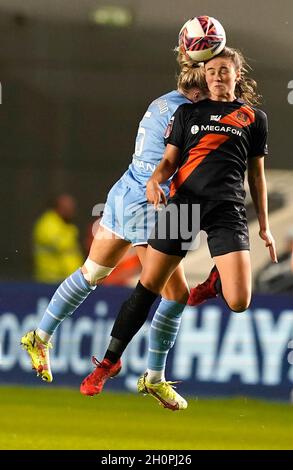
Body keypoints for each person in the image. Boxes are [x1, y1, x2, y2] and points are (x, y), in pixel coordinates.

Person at [79, 46, 278, 409]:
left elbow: (257, 176)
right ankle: (108, 363)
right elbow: (169, 161)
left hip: (226, 211)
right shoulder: (187, 113)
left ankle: (216, 281)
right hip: (184, 205)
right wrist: (156, 180)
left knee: (239, 301)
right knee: (148, 286)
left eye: (224, 70)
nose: (217, 76)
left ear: (237, 74)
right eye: (212, 70)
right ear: (204, 76)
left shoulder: (253, 118)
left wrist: (264, 226)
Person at [21, 37, 207, 411]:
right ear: (200, 90)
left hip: (124, 191)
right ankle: (153, 377)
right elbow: (175, 168)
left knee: (92, 272)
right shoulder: (187, 115)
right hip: (148, 205)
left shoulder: (161, 102)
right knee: (174, 294)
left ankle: (39, 335)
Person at [32, 194, 83, 283]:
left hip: (68, 279)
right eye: (67, 208)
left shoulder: (66, 225)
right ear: (58, 208)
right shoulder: (48, 224)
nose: (71, 211)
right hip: (51, 279)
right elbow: (60, 245)